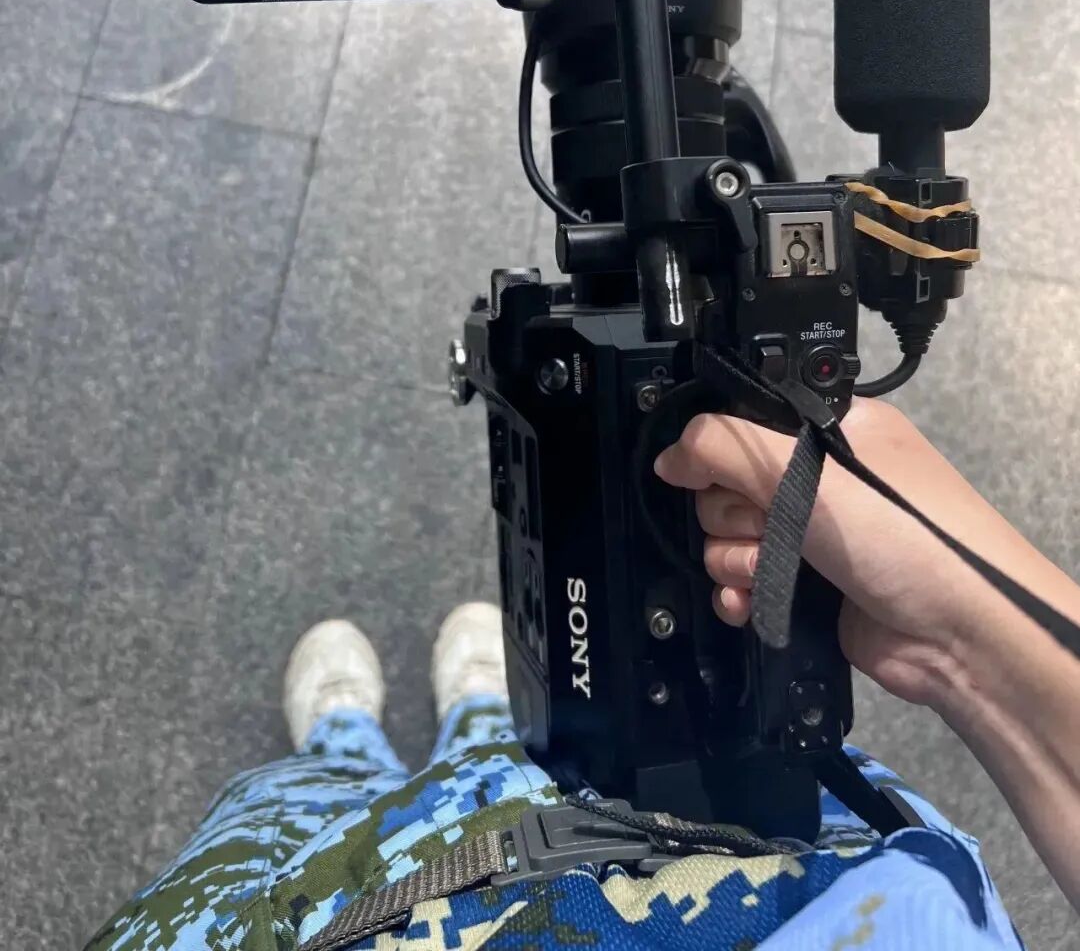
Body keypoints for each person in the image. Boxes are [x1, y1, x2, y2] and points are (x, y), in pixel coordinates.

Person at [85, 400, 1080, 951]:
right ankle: (481, 721)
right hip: (818, 856)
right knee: (534, 754)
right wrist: (978, 639)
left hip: (315, 916)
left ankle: (347, 744)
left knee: (294, 807)